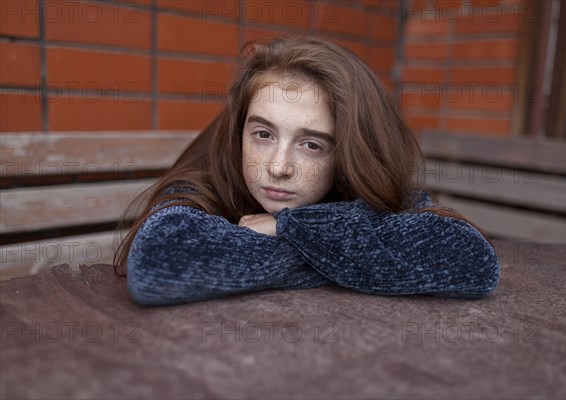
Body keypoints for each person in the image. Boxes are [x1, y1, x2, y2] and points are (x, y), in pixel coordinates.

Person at [114, 36, 500, 306]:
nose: (278, 167)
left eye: (311, 144)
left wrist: (292, 227)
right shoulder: (208, 177)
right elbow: (158, 264)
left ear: (351, 152)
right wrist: (350, 257)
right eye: (263, 134)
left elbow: (469, 259)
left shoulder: (360, 180)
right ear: (240, 131)